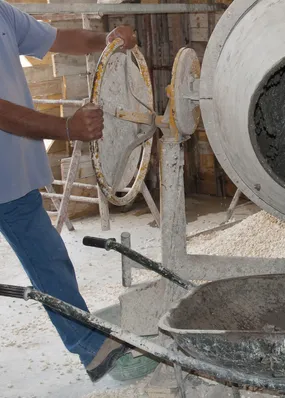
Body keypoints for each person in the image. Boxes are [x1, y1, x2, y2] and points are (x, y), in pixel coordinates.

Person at [0, 0, 138, 382]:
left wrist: (106, 41)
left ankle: (93, 349)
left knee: (49, 259)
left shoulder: (3, 13)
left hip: (10, 175)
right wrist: (65, 128)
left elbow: (62, 38)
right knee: (47, 257)